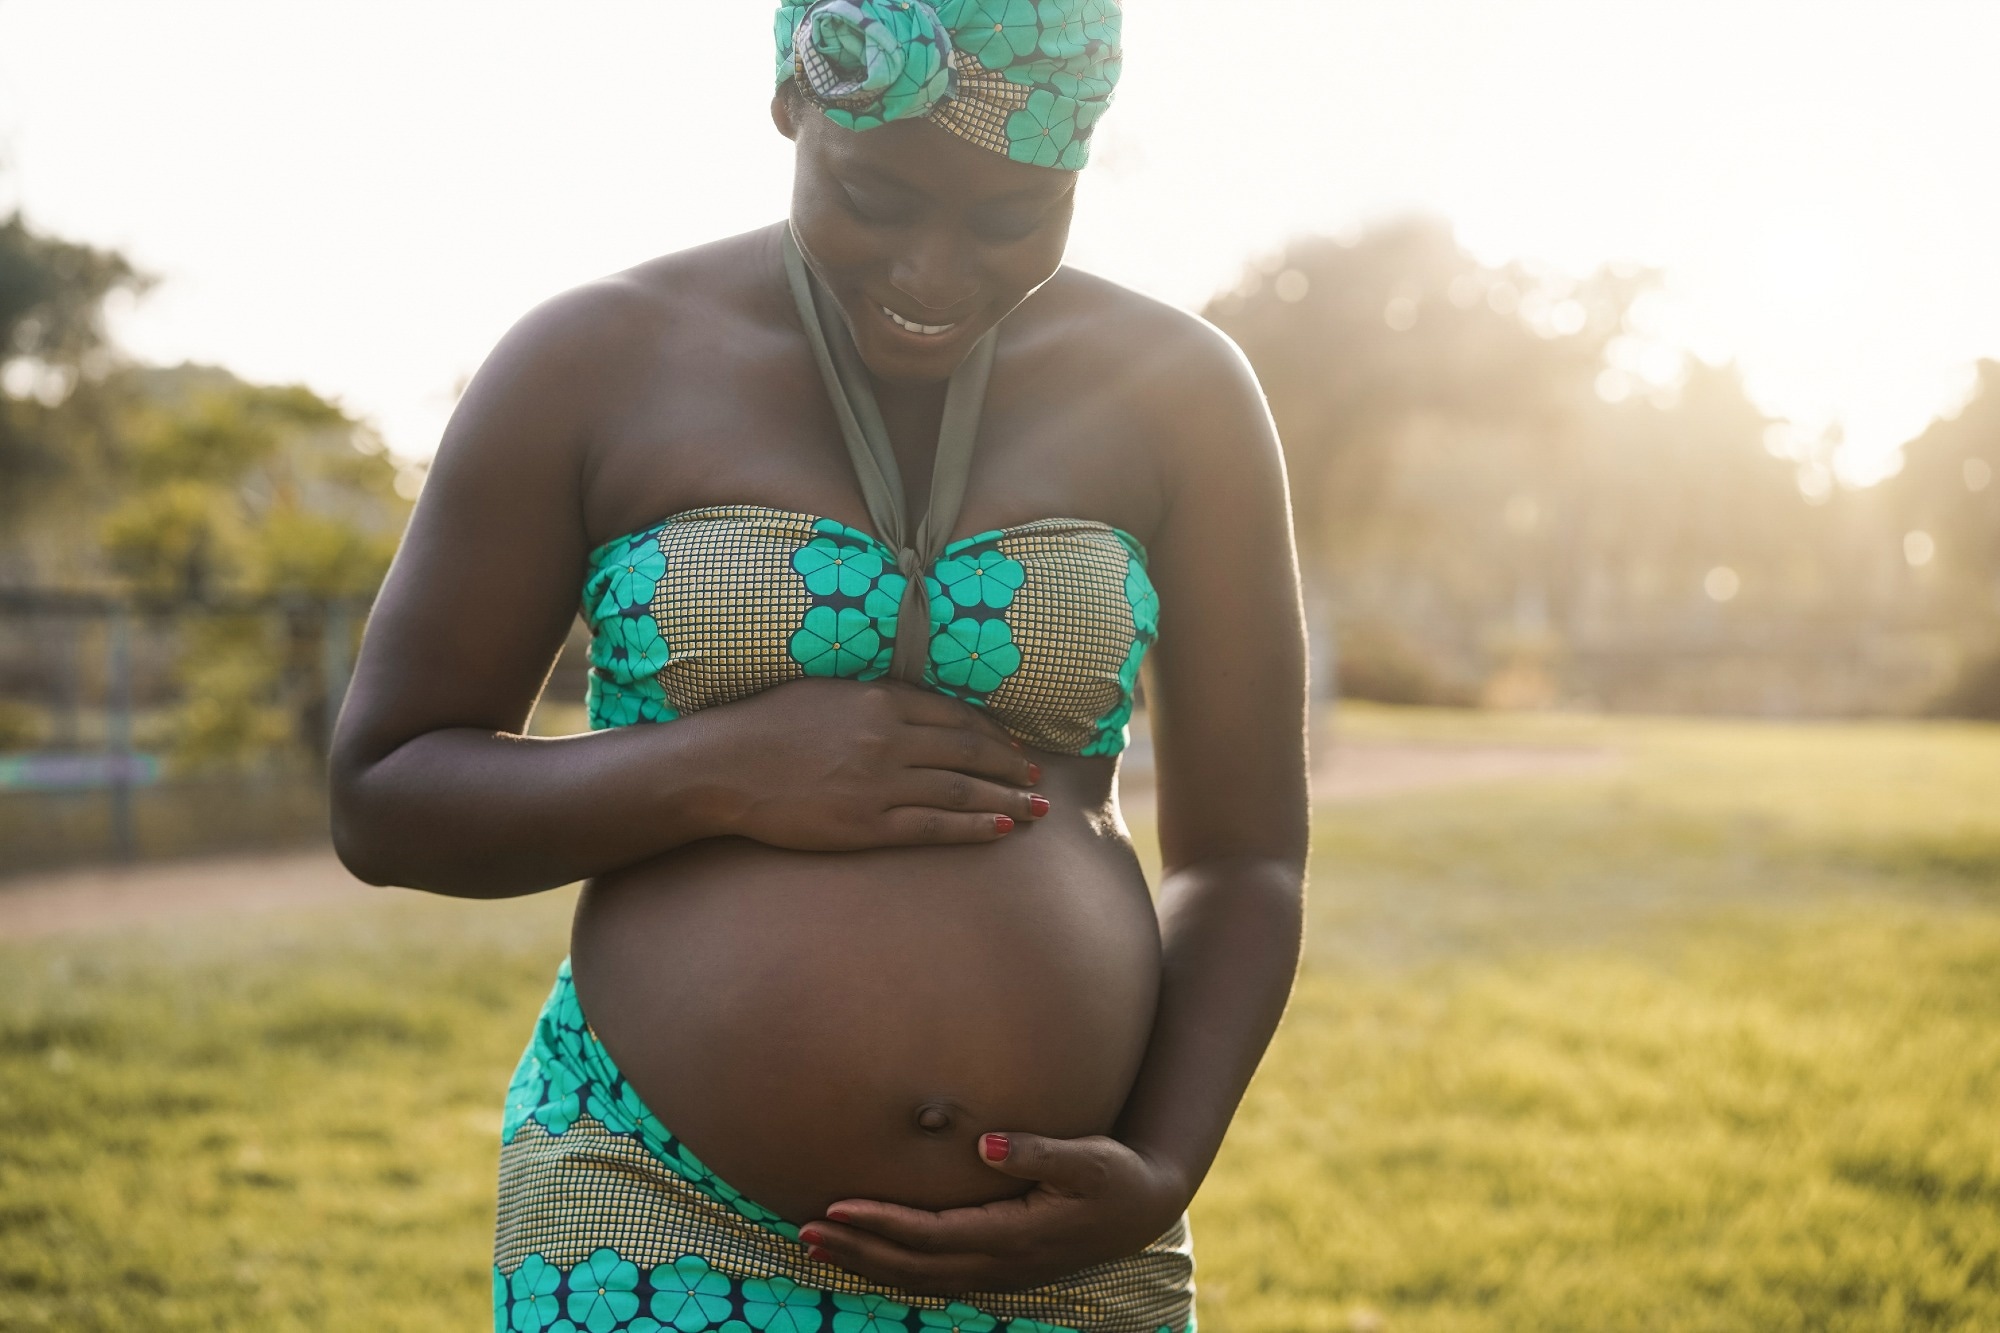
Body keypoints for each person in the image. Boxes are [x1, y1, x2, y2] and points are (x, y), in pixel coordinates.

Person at [329, 3, 1307, 1329]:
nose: (935, 268)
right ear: (796, 107)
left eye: (1009, 217)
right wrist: (717, 770)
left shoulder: (1181, 390)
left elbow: (1244, 856)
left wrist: (1160, 1164)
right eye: (876, 197)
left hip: (1057, 1243)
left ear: (1081, 163)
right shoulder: (595, 360)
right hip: (652, 1219)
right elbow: (386, 793)